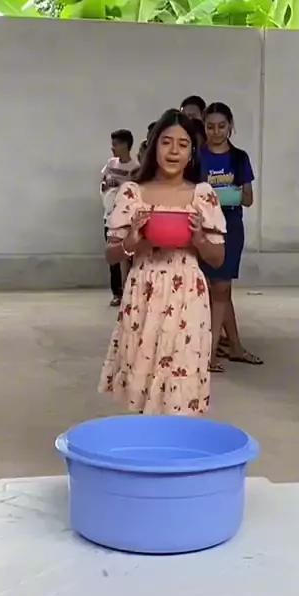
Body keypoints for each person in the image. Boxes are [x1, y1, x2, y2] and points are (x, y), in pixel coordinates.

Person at [99, 109, 226, 415]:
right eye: (166, 142)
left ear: (192, 153)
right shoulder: (133, 193)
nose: (173, 151)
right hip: (143, 292)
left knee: (182, 377)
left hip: (188, 297)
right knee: (142, 375)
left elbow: (218, 258)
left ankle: (176, 439)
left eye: (183, 144)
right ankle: (145, 439)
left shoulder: (203, 195)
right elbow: (111, 254)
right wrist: (133, 242)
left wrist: (199, 240)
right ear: (154, 146)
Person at [200, 102, 263, 370]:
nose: (216, 132)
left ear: (230, 126)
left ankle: (214, 351)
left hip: (231, 227)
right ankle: (218, 349)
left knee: (222, 288)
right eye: (210, 127)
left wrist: (229, 194)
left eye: (221, 126)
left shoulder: (239, 158)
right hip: (203, 228)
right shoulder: (197, 157)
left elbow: (248, 199)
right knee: (209, 289)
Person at [101, 129, 138, 306]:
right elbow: (103, 182)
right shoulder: (110, 163)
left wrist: (121, 184)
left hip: (126, 218)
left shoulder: (135, 168)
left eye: (116, 145)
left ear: (125, 145)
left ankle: (129, 289)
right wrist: (106, 184)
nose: (113, 148)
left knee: (128, 256)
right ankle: (116, 292)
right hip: (109, 215)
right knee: (113, 256)